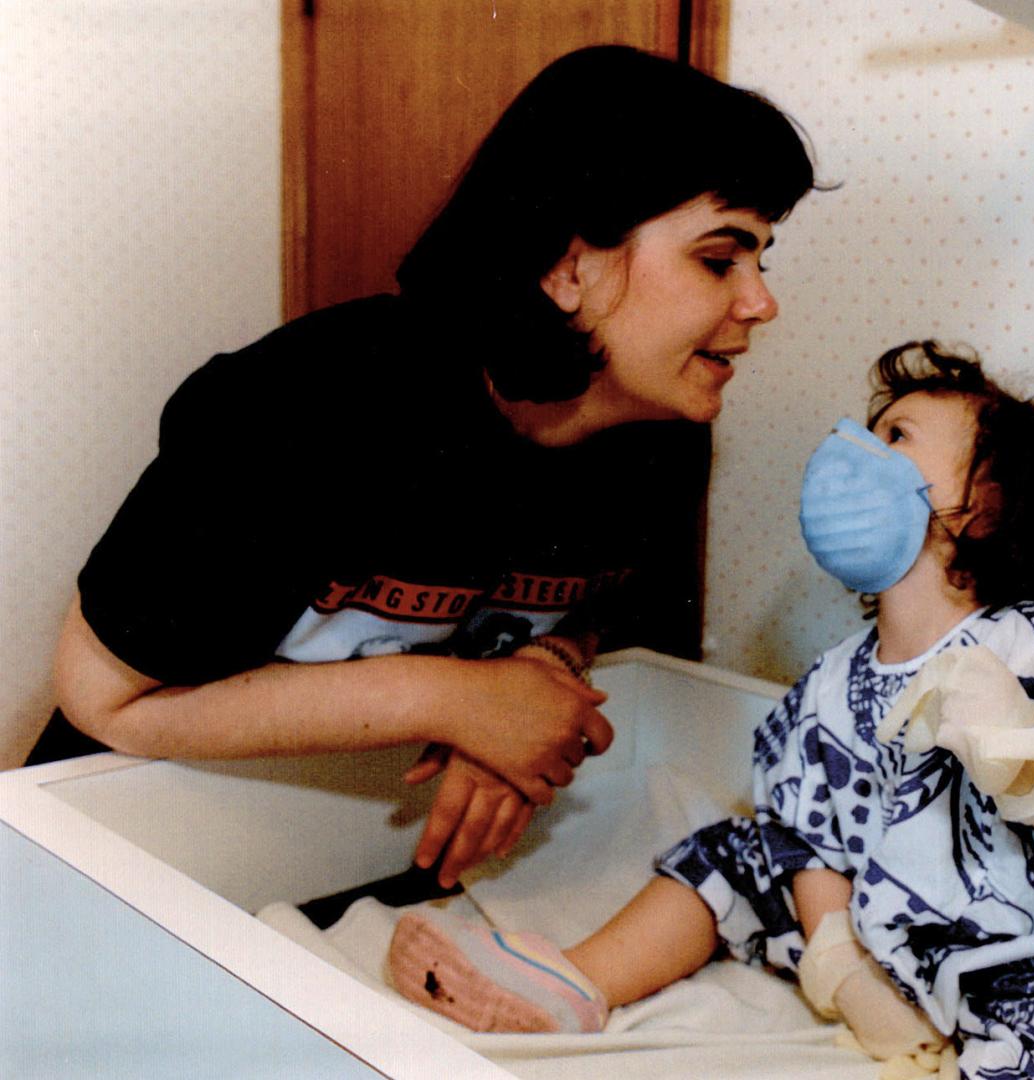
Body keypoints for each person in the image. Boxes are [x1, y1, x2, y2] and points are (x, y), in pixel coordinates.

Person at [36, 45, 819, 890]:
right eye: (718, 258)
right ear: (566, 266)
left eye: (760, 261)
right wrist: (454, 700)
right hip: (121, 833)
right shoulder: (311, 406)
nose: (760, 303)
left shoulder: (660, 437)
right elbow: (101, 697)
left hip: (358, 843)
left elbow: (597, 610)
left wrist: (540, 677)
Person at [383, 342, 1034, 1079]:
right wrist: (840, 965)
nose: (854, 453)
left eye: (895, 437)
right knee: (737, 851)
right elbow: (809, 837)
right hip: (890, 943)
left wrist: (1027, 763)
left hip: (1029, 956)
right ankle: (576, 983)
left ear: (978, 507)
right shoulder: (830, 685)